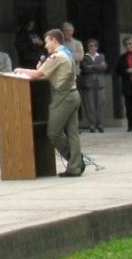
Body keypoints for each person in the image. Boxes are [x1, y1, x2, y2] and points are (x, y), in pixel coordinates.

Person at [15, 29, 86, 177]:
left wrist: (19, 69)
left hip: (63, 97)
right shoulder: (67, 53)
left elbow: (38, 74)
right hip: (73, 94)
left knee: (53, 132)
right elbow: (46, 73)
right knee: (72, 133)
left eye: (47, 41)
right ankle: (75, 166)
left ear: (54, 40)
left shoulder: (57, 56)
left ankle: (76, 161)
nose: (45, 45)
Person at [79, 38, 109, 133]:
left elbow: (103, 67)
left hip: (99, 83)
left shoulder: (101, 56)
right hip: (88, 83)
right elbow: (84, 68)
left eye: (94, 46)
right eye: (90, 46)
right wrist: (97, 66)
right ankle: (92, 125)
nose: (92, 47)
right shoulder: (84, 57)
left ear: (97, 47)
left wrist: (91, 66)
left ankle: (100, 124)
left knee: (100, 104)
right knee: (89, 105)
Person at [114, 37, 132, 133]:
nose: (129, 46)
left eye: (130, 44)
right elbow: (117, 70)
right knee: (129, 106)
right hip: (127, 84)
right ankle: (130, 125)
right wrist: (127, 71)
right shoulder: (122, 57)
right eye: (127, 45)